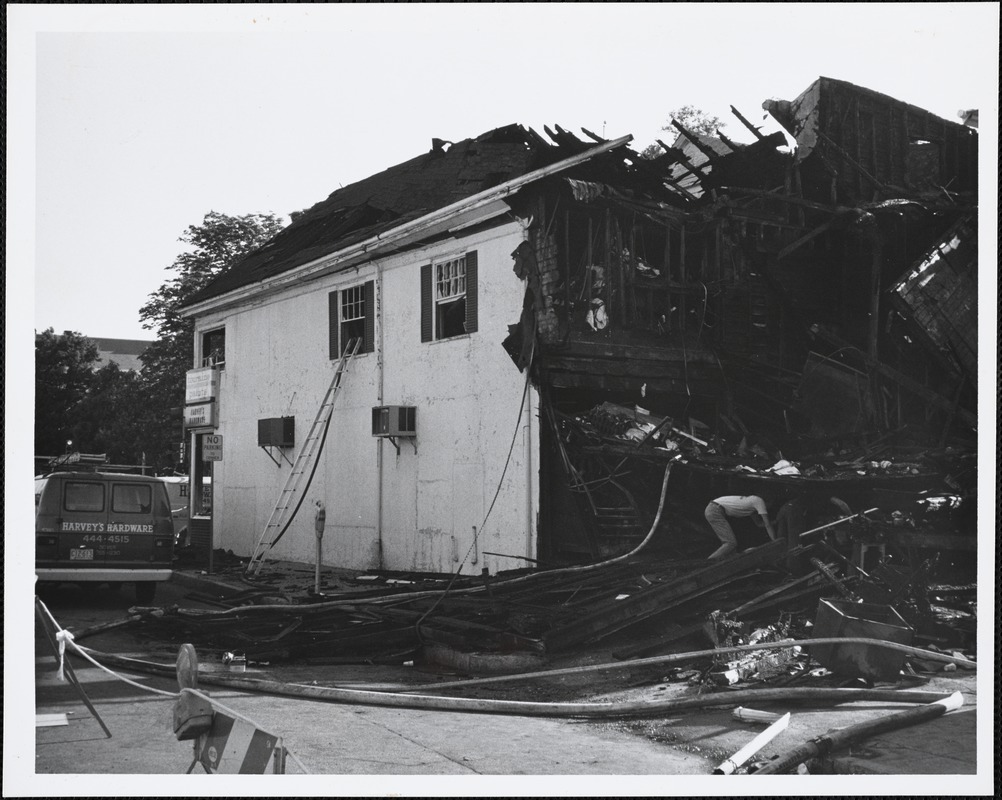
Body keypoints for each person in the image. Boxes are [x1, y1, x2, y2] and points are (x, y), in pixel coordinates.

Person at [704, 495, 777, 560]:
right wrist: (774, 541)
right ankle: (707, 563)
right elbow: (767, 525)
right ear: (769, 502)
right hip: (715, 509)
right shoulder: (759, 501)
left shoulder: (752, 506)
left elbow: (759, 524)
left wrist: (776, 521)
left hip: (714, 508)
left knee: (731, 548)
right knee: (730, 543)